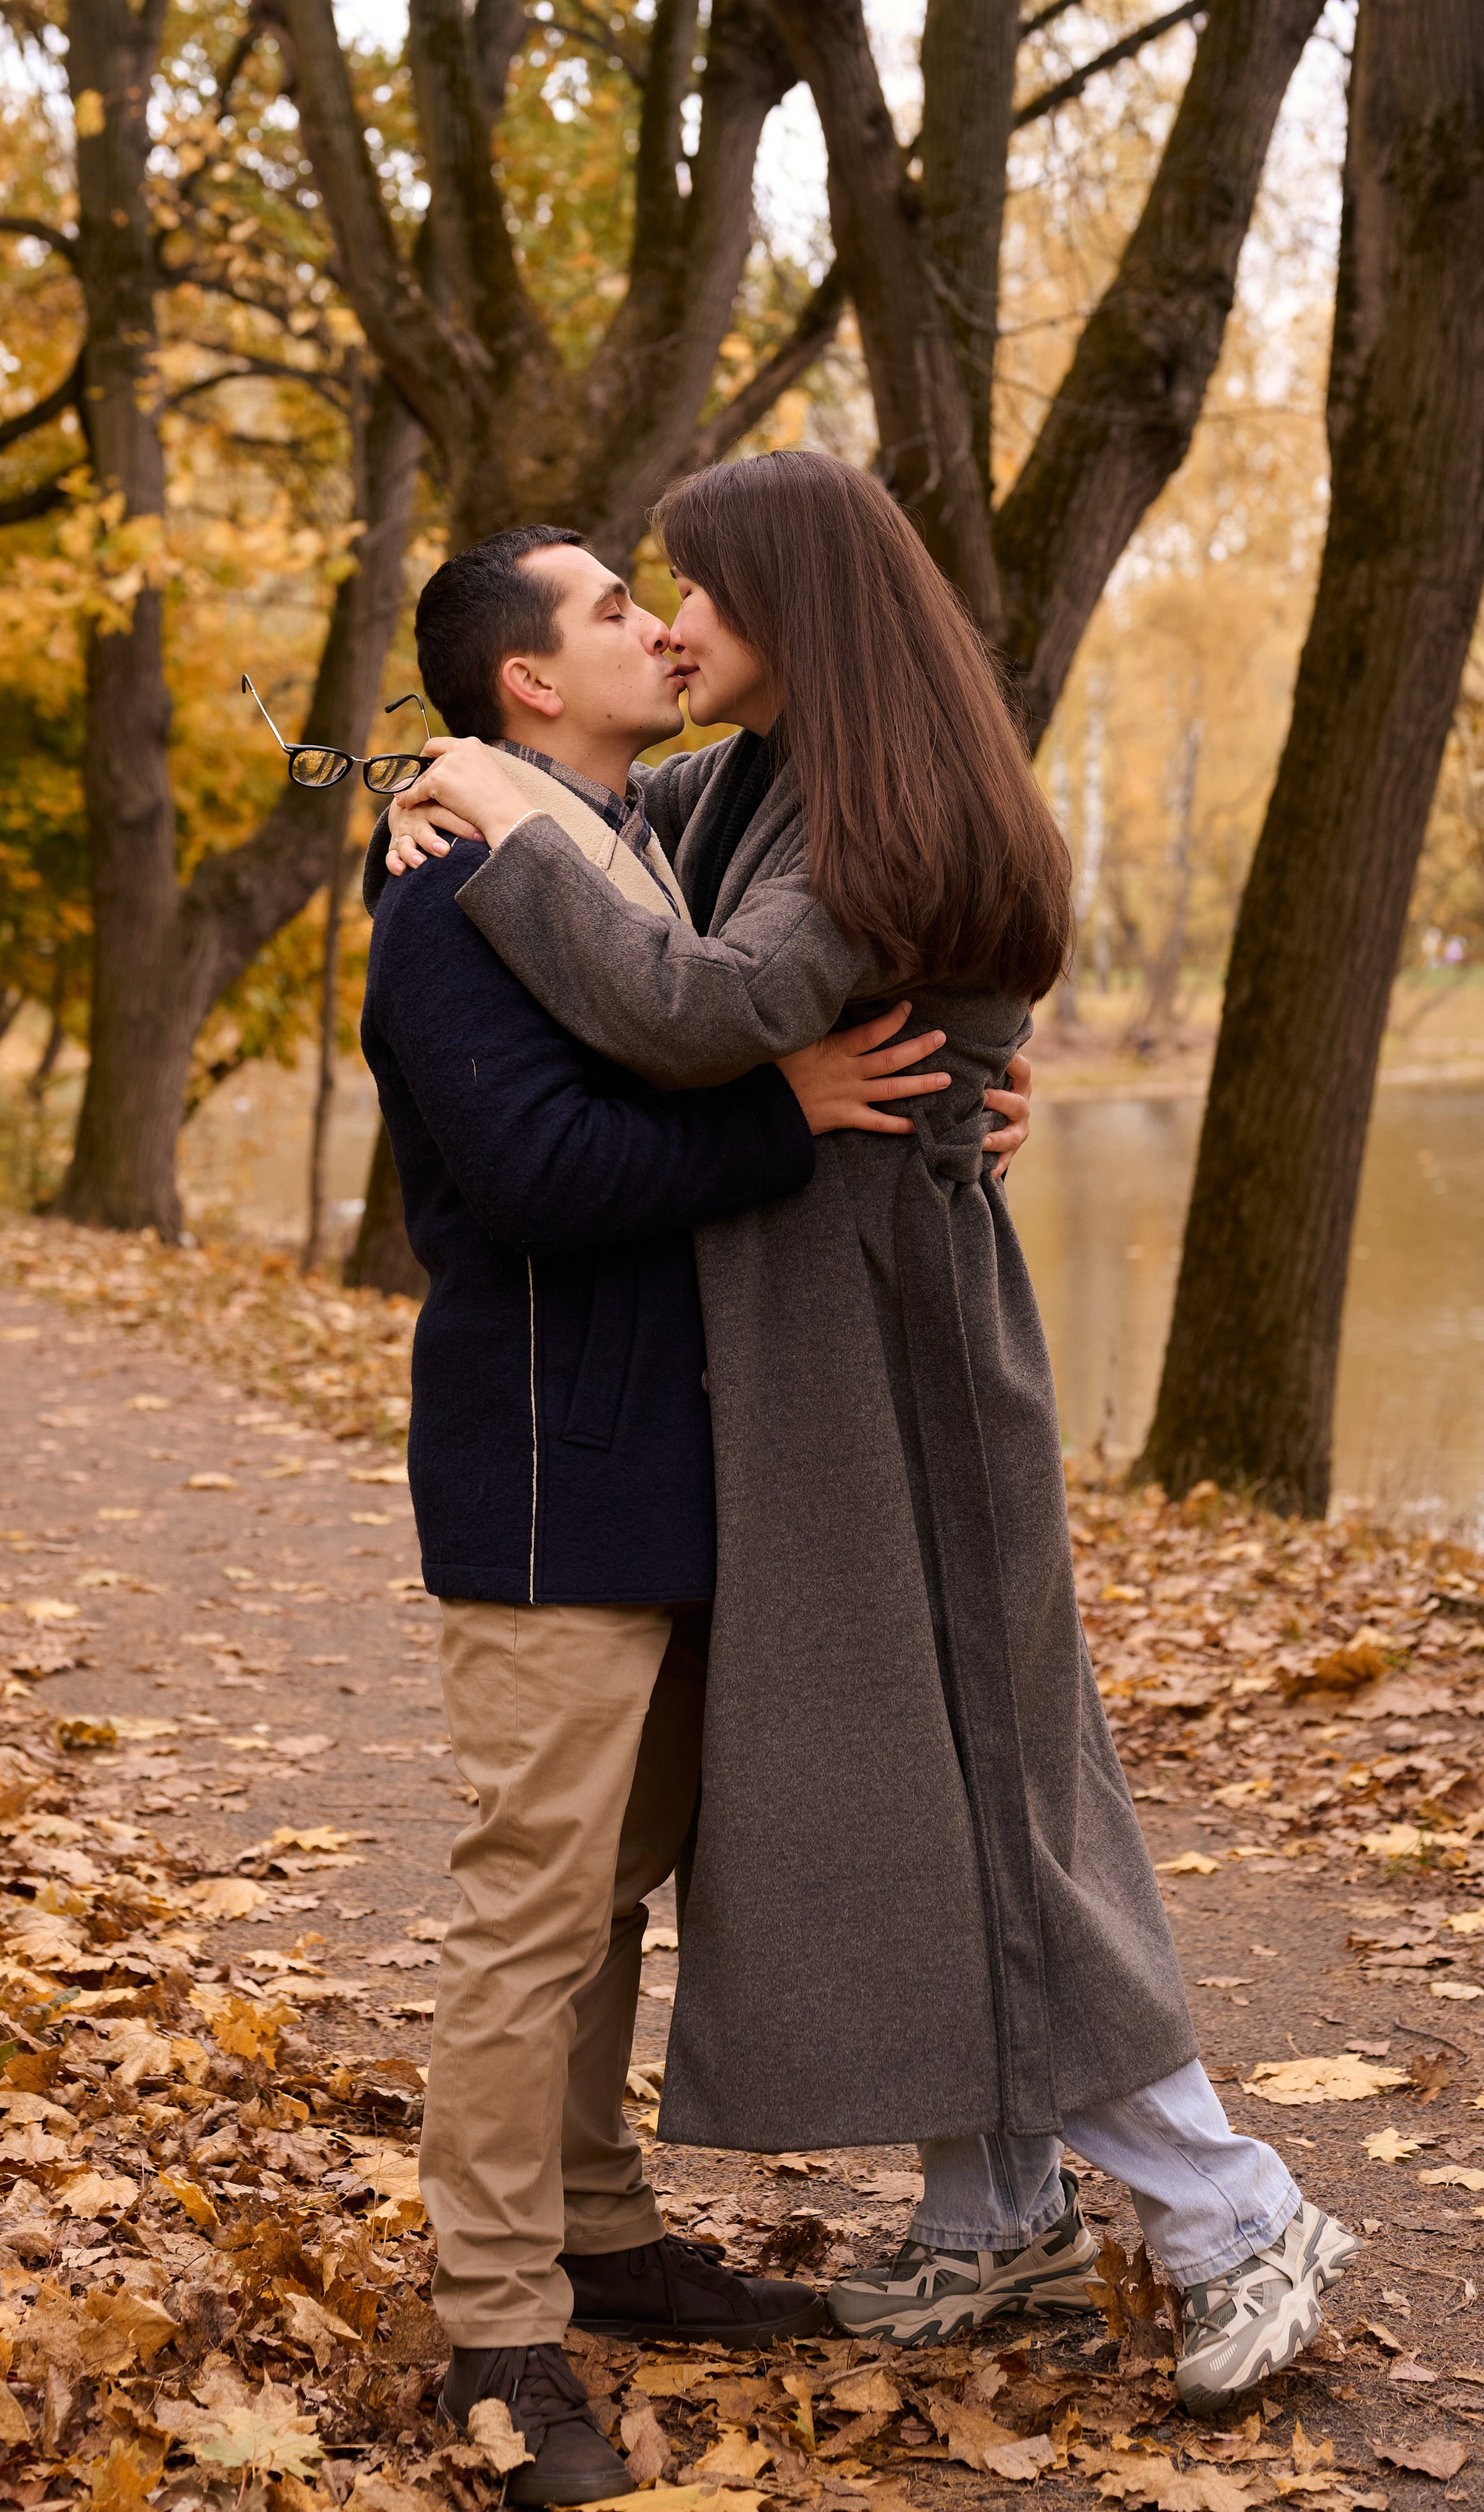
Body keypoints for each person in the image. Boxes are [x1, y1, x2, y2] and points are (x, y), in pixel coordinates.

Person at [387, 450, 1357, 2419]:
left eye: (696, 596)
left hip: (896, 1357)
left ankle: (1235, 2209)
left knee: (986, 1796)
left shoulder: (861, 813)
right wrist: (408, 775)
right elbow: (586, 793)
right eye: (633, 607)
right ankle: (991, 2213)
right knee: (904, 1787)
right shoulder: (749, 776)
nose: (668, 626)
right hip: (799, 1360)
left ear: (792, 610)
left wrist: (492, 824)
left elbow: (689, 996)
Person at [360, 524, 1033, 2506]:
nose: (661, 626)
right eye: (607, 612)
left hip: (688, 1469)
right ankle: (496, 2324)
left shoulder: (647, 830)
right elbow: (539, 1172)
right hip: (553, 1463)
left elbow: (890, 849)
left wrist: (981, 1080)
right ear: (527, 686)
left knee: (616, 1888)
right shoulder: (454, 882)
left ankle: (599, 2228)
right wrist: (786, 1110)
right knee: (530, 1907)